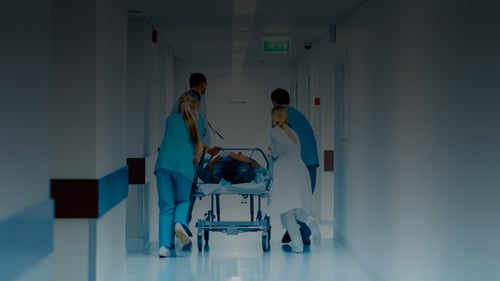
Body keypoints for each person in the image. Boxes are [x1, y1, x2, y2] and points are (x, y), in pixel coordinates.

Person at [154, 90, 204, 257]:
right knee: (183, 200)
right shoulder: (197, 122)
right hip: (184, 167)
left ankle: (164, 246)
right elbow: (199, 150)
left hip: (163, 165)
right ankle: (180, 223)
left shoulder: (171, 120)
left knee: (166, 206)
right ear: (196, 107)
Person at [268, 106, 321, 253]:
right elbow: (294, 150)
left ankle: (298, 245)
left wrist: (270, 151)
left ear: (274, 117)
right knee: (298, 210)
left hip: (286, 174)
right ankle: (311, 222)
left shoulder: (274, 131)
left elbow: (278, 151)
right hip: (300, 171)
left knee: (287, 211)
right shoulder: (293, 132)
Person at [197, 147, 262, 184]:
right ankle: (234, 182)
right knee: (245, 172)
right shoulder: (222, 156)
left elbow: (260, 169)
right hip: (228, 165)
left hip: (225, 165)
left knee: (215, 175)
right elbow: (260, 169)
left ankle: (217, 180)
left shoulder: (222, 156)